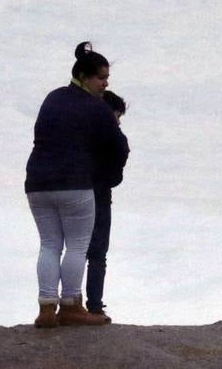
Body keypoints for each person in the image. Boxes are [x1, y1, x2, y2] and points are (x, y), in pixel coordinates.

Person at [24, 41, 129, 328]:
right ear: (84, 76)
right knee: (77, 247)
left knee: (49, 244)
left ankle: (47, 308)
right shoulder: (95, 108)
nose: (105, 84)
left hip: (37, 182)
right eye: (101, 78)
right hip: (75, 183)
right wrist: (111, 177)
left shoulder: (53, 98)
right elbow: (118, 146)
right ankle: (71, 306)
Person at [84, 89, 127, 322]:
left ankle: (70, 302)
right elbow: (115, 175)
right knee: (98, 253)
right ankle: (95, 306)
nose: (118, 121)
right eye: (117, 115)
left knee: (76, 249)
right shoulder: (113, 137)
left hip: (77, 191)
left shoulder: (81, 131)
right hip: (100, 196)